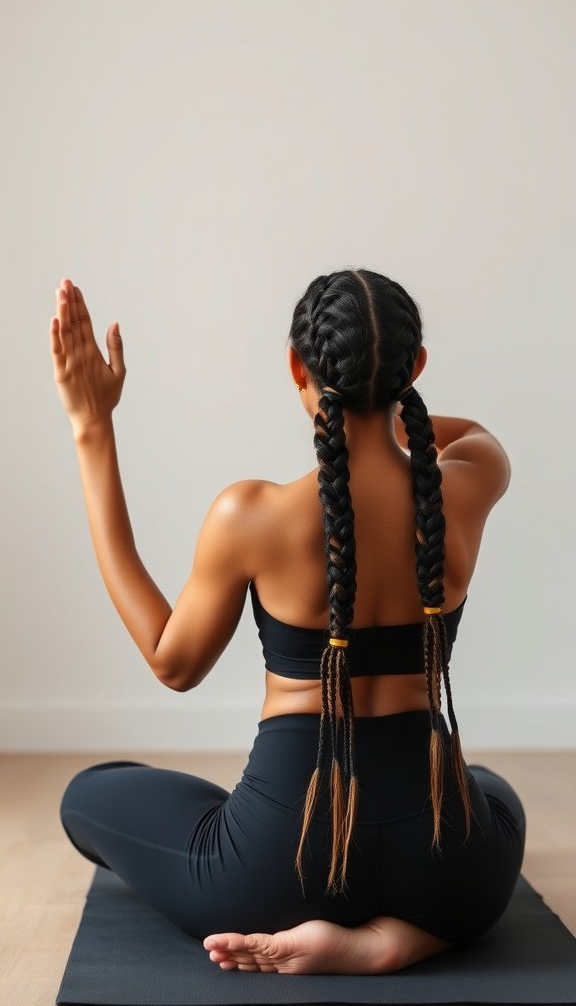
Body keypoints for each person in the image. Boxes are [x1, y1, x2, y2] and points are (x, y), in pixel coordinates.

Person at [54, 269, 526, 976]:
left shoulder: (251, 515)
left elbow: (170, 661)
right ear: (416, 369)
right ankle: (397, 939)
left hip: (275, 870)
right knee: (493, 794)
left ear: (296, 367)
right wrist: (389, 412)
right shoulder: (468, 484)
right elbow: (478, 435)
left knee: (89, 794)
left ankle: (344, 919)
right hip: (452, 872)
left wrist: (93, 428)